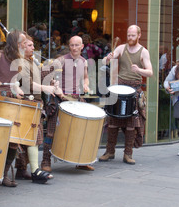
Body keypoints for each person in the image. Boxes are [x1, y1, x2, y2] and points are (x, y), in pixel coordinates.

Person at [99, 25, 153, 165]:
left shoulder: (143, 52)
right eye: (128, 35)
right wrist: (108, 58)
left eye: (133, 35)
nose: (130, 38)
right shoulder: (121, 48)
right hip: (119, 88)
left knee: (131, 124)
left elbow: (150, 72)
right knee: (112, 122)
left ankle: (128, 154)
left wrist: (139, 69)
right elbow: (104, 62)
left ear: (139, 35)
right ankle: (109, 151)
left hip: (134, 89)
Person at [41, 35, 92, 172]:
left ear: (82, 46)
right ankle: (46, 161)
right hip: (59, 99)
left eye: (77, 45)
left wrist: (86, 85)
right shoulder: (60, 60)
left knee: (80, 131)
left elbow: (85, 78)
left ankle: (81, 160)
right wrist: (53, 85)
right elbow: (45, 75)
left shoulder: (84, 61)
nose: (74, 48)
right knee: (51, 132)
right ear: (69, 46)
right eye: (72, 45)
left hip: (76, 99)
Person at [0, 30, 26, 187]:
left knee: (13, 140)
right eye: (22, 42)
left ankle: (4, 174)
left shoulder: (19, 61)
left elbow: (13, 82)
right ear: (15, 44)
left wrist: (17, 89)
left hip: (10, 101)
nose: (24, 45)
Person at [17, 36, 58, 183]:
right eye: (29, 45)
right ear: (21, 46)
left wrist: (50, 81)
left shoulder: (31, 60)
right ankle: (34, 171)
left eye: (33, 45)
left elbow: (38, 77)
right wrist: (44, 87)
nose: (33, 48)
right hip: (27, 103)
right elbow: (27, 83)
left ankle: (23, 170)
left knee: (31, 137)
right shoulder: (20, 62)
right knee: (31, 137)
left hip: (35, 103)